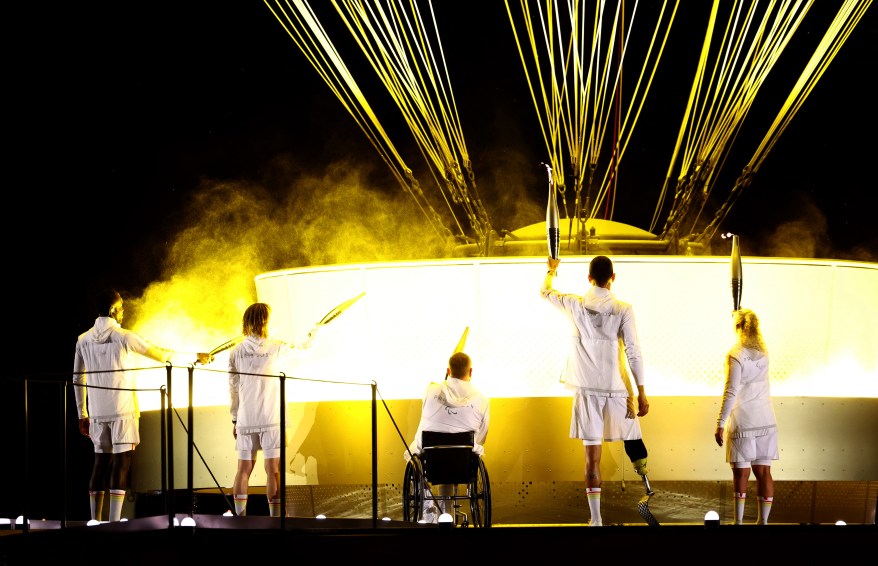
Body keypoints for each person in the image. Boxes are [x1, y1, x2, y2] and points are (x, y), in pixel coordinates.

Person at [73, 288, 212, 522]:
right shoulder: (125, 337)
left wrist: (82, 413)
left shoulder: (82, 340)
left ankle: (94, 521)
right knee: (121, 465)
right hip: (123, 410)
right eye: (121, 308)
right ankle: (114, 522)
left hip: (97, 412)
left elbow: (78, 378)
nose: (123, 312)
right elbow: (161, 355)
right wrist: (194, 357)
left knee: (100, 464)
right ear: (113, 310)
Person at [540, 255, 652, 526]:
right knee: (632, 439)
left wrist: (551, 270)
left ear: (589, 278)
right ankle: (647, 483)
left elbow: (545, 292)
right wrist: (641, 392)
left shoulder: (575, 304)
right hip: (617, 391)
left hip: (587, 391)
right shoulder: (624, 308)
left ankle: (596, 520)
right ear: (613, 277)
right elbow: (634, 353)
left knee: (592, 459)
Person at [228, 302, 318, 518]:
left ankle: (240, 518)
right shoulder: (276, 347)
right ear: (265, 321)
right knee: (273, 470)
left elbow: (232, 388)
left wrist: (234, 419)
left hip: (246, 419)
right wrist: (315, 331)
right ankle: (276, 519)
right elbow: (305, 348)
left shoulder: (236, 351)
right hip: (271, 417)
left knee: (243, 469)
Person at [405, 351, 490, 523]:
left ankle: (429, 509)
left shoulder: (432, 390)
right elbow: (482, 434)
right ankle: (447, 513)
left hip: (432, 457)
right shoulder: (482, 399)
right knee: (460, 455)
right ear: (471, 372)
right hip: (462, 460)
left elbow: (426, 416)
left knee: (413, 456)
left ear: (448, 371)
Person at [714, 308, 778, 525]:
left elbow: (731, 390)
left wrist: (720, 423)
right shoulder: (764, 353)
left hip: (744, 420)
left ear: (738, 327)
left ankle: (739, 523)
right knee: (764, 472)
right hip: (767, 420)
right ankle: (763, 522)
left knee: (741, 474)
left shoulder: (736, 354)